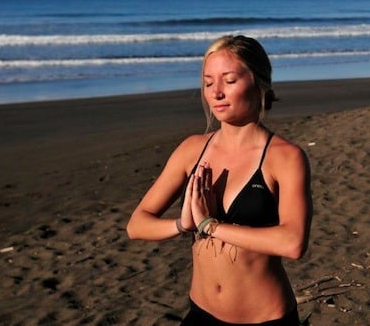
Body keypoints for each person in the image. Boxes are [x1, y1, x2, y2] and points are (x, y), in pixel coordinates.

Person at [126, 35, 312, 325]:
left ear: (259, 82)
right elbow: (137, 224)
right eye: (208, 82)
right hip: (201, 313)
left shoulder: (285, 157)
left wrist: (210, 226)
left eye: (229, 80)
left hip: (264, 319)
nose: (216, 93)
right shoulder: (191, 149)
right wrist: (182, 225)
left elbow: (293, 242)